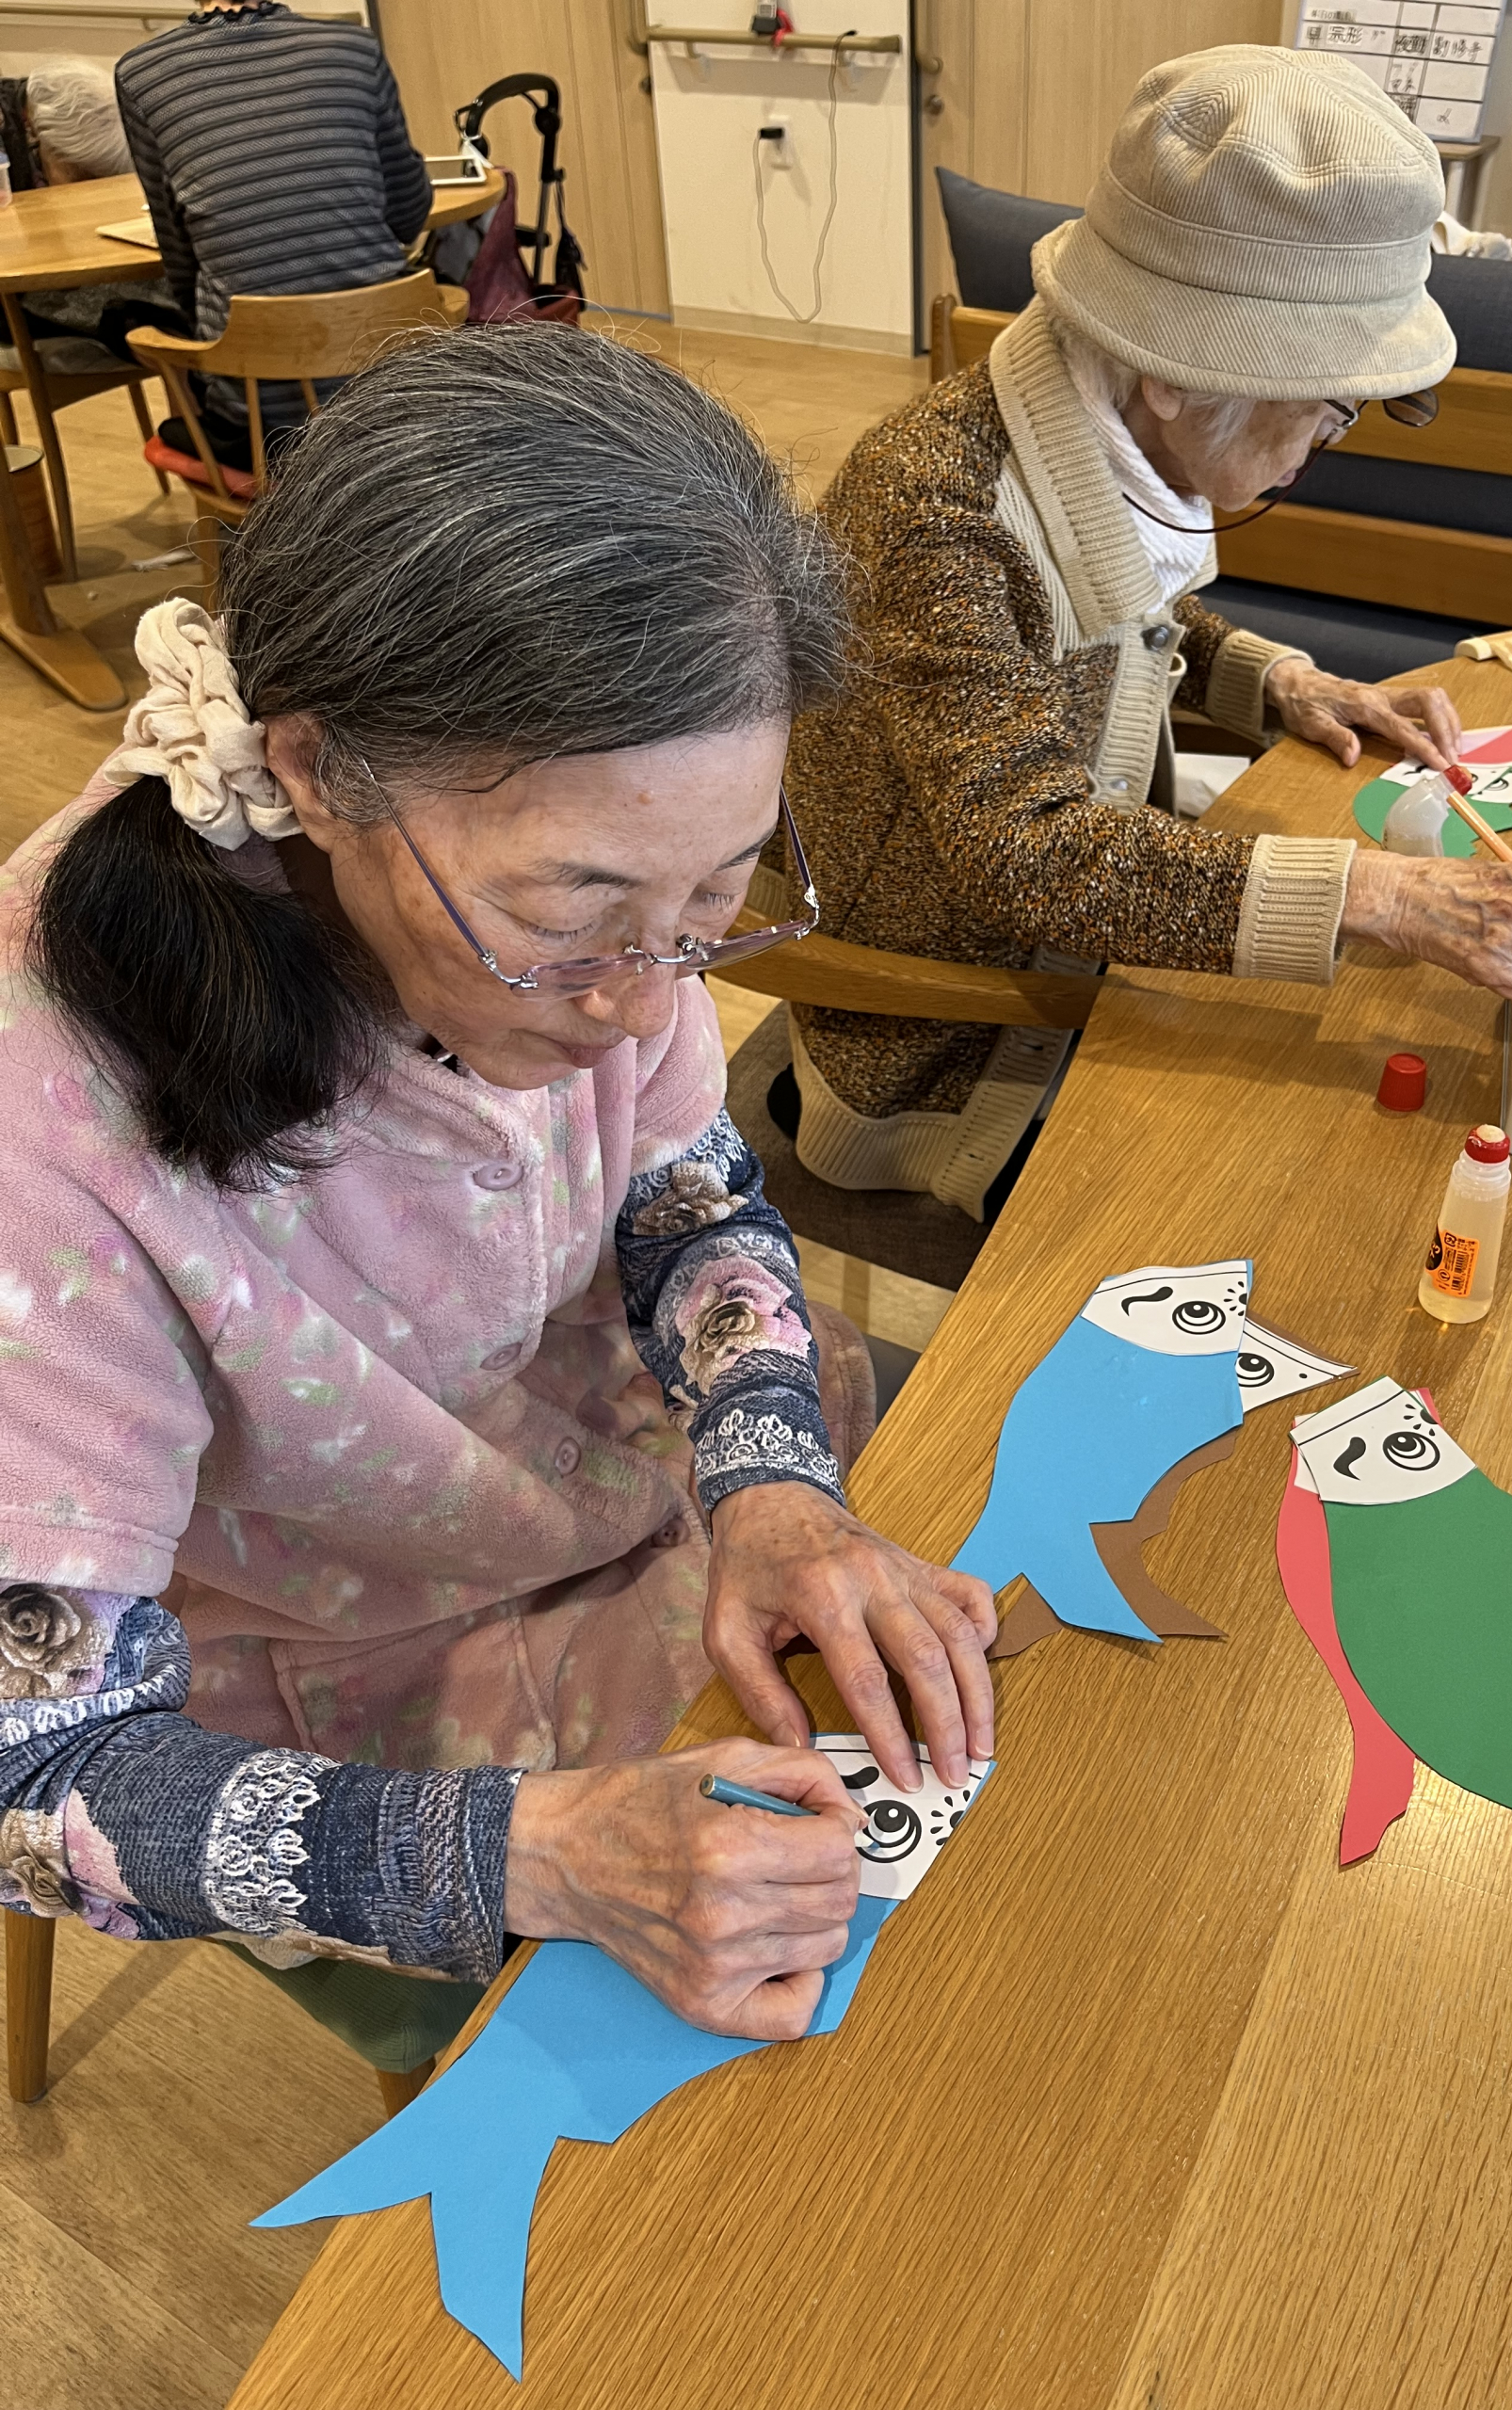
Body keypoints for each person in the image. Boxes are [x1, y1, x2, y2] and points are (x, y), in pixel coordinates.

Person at [0, 326, 995, 2042]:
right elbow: (35, 1760)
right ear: (309, 772)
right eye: (567, 916)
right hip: (342, 1648)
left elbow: (688, 1204)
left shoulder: (613, 895)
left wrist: (773, 1489)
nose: (646, 1007)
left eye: (717, 897)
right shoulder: (51, 1123)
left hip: (604, 1456)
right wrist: (539, 1854)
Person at [776, 46, 1512, 1220]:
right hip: (947, 1047)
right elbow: (1026, 852)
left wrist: (1279, 682)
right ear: (1173, 372)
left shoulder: (1075, 416)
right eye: (1329, 410)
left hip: (1060, 949)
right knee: (1322, 1180)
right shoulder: (939, 509)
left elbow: (1114, 618)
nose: (1325, 446)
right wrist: (1389, 896)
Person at [115, 0, 433, 472]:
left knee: (149, 328)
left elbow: (179, 255)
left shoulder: (142, 74)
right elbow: (409, 214)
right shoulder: (355, 48)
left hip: (267, 431)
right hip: (400, 395)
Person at [0, 58, 174, 377]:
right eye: (80, 175)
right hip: (12, 301)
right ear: (40, 137)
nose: (88, 189)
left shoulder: (57, 114)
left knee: (174, 296)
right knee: (148, 321)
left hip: (61, 279)